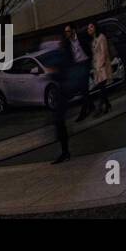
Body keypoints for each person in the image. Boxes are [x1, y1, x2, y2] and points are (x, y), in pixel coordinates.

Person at [48, 31, 76, 164]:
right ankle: (65, 150)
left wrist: (53, 73)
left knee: (59, 121)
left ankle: (65, 151)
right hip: (64, 90)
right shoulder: (66, 55)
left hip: (62, 91)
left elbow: (60, 74)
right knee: (59, 122)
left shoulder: (63, 56)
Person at [64, 23, 94, 121]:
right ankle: (91, 106)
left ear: (73, 30)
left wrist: (91, 59)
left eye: (68, 31)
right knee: (83, 88)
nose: (66, 33)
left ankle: (84, 111)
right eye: (65, 32)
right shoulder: (67, 43)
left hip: (85, 62)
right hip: (77, 65)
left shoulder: (81, 36)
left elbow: (89, 46)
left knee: (83, 87)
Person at [88, 22, 114, 116]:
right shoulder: (93, 40)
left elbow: (104, 52)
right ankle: (107, 105)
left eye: (91, 27)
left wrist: (101, 64)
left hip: (102, 66)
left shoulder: (101, 37)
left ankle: (100, 107)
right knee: (101, 87)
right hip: (97, 67)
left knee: (102, 87)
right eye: (88, 28)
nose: (89, 30)